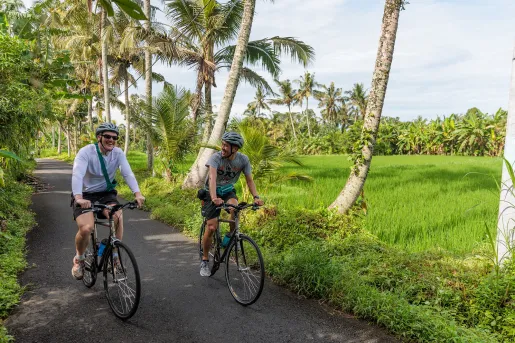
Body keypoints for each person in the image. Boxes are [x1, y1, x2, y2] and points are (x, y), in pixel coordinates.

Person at [70, 122, 145, 280]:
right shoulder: (86, 152)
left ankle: (115, 256)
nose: (111, 140)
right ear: (99, 137)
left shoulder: (117, 153)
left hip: (106, 194)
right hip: (85, 194)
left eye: (114, 137)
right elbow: (77, 174)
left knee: (117, 216)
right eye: (107, 137)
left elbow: (128, 174)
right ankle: (79, 259)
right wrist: (78, 198)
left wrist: (137, 193)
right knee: (86, 228)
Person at [200, 131, 264, 277]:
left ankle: (230, 235)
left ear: (235, 149)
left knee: (235, 208)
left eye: (225, 146)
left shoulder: (243, 160)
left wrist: (256, 197)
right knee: (211, 226)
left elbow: (249, 180)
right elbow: (212, 178)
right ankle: (204, 260)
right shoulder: (215, 158)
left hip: (228, 190)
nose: (222, 148)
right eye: (222, 144)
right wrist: (215, 197)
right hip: (212, 192)